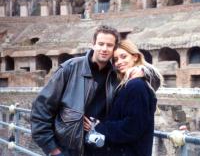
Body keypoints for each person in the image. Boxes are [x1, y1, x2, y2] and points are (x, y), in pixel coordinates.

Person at [30, 25, 145, 156]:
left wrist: (145, 71)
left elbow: (146, 89)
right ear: (93, 44)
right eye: (101, 44)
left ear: (114, 49)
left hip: (101, 148)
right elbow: (41, 109)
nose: (104, 49)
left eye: (109, 45)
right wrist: (53, 149)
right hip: (68, 149)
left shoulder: (117, 75)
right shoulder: (70, 68)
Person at [83, 39, 163, 156]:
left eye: (123, 57)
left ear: (135, 57)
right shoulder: (124, 83)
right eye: (115, 60)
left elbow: (132, 127)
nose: (119, 62)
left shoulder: (136, 85)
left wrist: (98, 127)